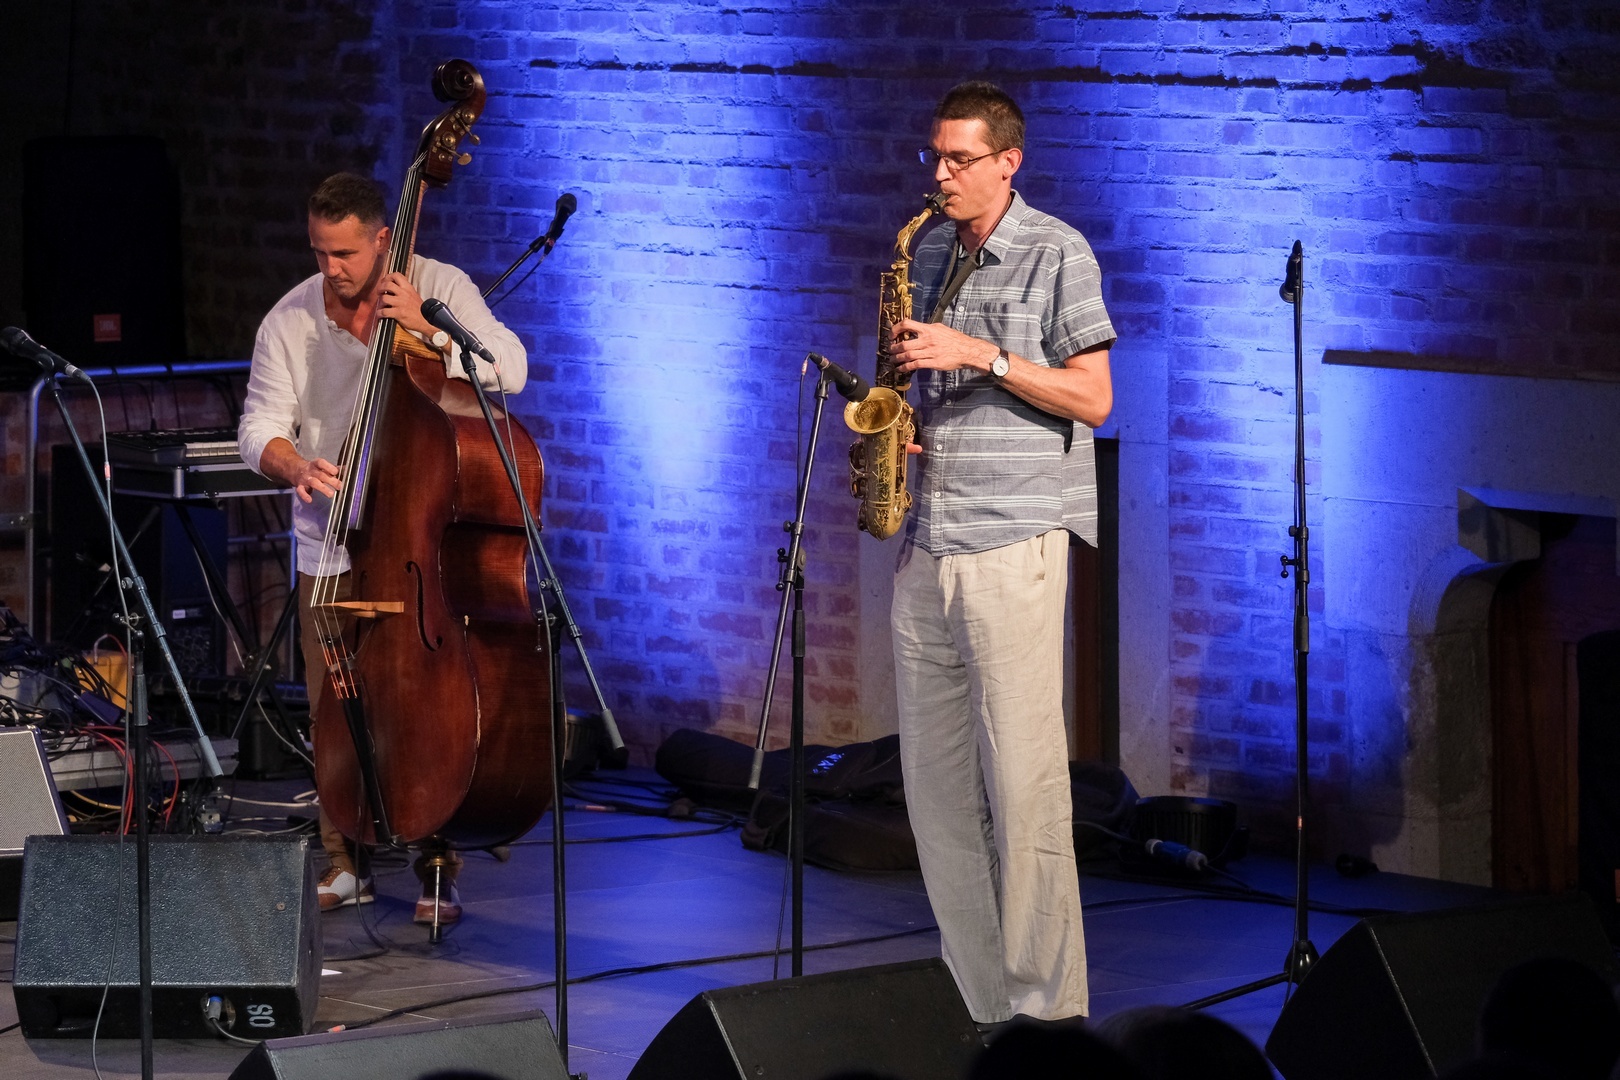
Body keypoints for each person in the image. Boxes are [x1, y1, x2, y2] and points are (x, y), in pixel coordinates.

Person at [885, 81, 1116, 1024]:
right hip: (929, 539)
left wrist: (979, 354)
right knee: (936, 798)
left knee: (1025, 793)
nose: (941, 175)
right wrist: (900, 427)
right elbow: (925, 382)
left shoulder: (1058, 251)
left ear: (1008, 162)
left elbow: (1095, 398)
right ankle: (982, 1011)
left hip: (1014, 538)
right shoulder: (930, 249)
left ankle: (1048, 1022)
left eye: (960, 159)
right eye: (935, 156)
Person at [238, 172, 527, 924]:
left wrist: (431, 332)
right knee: (334, 708)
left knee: (428, 709)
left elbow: (511, 368)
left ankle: (437, 869)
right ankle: (347, 863)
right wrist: (294, 465)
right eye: (319, 251)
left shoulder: (439, 286)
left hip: (417, 542)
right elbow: (256, 426)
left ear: (382, 240)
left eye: (344, 253)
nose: (330, 268)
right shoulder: (290, 318)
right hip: (333, 542)